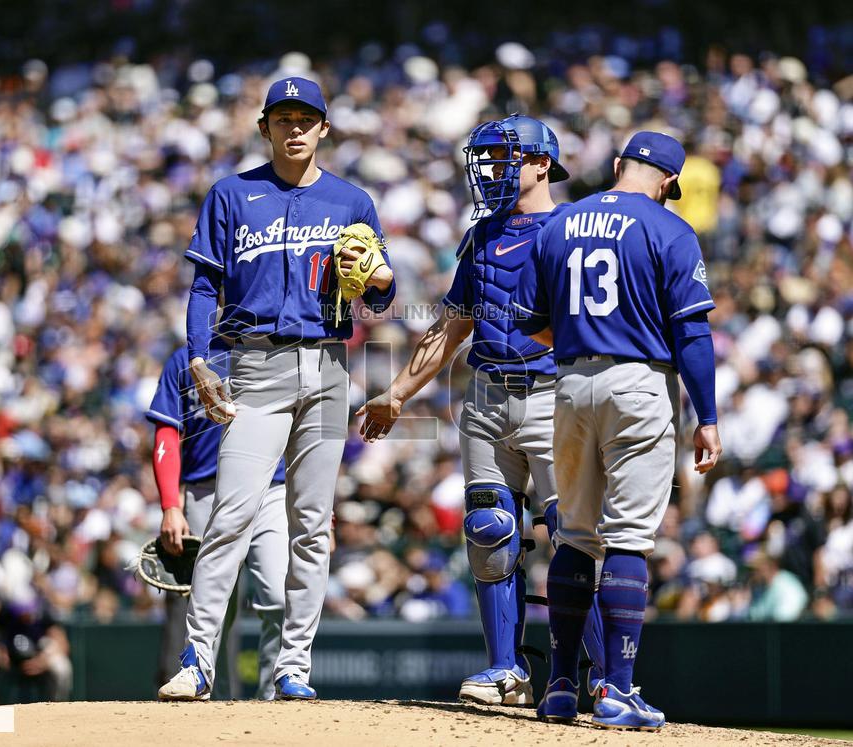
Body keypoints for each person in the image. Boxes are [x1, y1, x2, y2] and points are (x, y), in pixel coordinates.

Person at [158, 77, 396, 702]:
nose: (294, 128)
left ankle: (294, 666)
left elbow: (382, 299)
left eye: (305, 118)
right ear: (265, 127)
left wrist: (379, 280)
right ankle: (198, 660)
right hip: (255, 364)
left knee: (311, 524)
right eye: (283, 118)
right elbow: (204, 288)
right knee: (231, 514)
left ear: (324, 128)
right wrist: (200, 358)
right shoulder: (232, 194)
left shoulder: (351, 201)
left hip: (327, 365)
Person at [359, 115, 608, 706]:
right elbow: (452, 325)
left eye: (504, 158)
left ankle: (604, 678)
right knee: (489, 531)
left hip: (554, 395)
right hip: (488, 395)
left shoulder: (574, 230)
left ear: (541, 164)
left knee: (571, 536)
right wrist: (398, 392)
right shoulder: (481, 236)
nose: (492, 170)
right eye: (488, 159)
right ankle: (506, 671)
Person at [514, 131, 722, 730]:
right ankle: (617, 690)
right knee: (628, 539)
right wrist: (707, 417)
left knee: (575, 537)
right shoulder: (669, 229)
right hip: (638, 382)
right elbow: (692, 334)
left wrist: (586, 340)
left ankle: (559, 686)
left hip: (569, 383)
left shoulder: (559, 222)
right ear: (668, 182)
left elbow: (532, 321)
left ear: (616, 166)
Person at [147, 338, 287, 700]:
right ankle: (205, 695)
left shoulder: (277, 350)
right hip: (205, 492)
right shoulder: (185, 360)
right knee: (208, 605)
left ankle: (275, 697)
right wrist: (170, 505)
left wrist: (322, 512)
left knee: (279, 595)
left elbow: (306, 432)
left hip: (272, 487)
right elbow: (166, 434)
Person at [0, 590, 71, 705]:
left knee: (61, 665)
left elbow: (63, 644)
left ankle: (57, 705)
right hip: (9, 659)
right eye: (21, 611)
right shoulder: (6, 614)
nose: (24, 614)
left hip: (39, 657)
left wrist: (42, 662)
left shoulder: (44, 614)